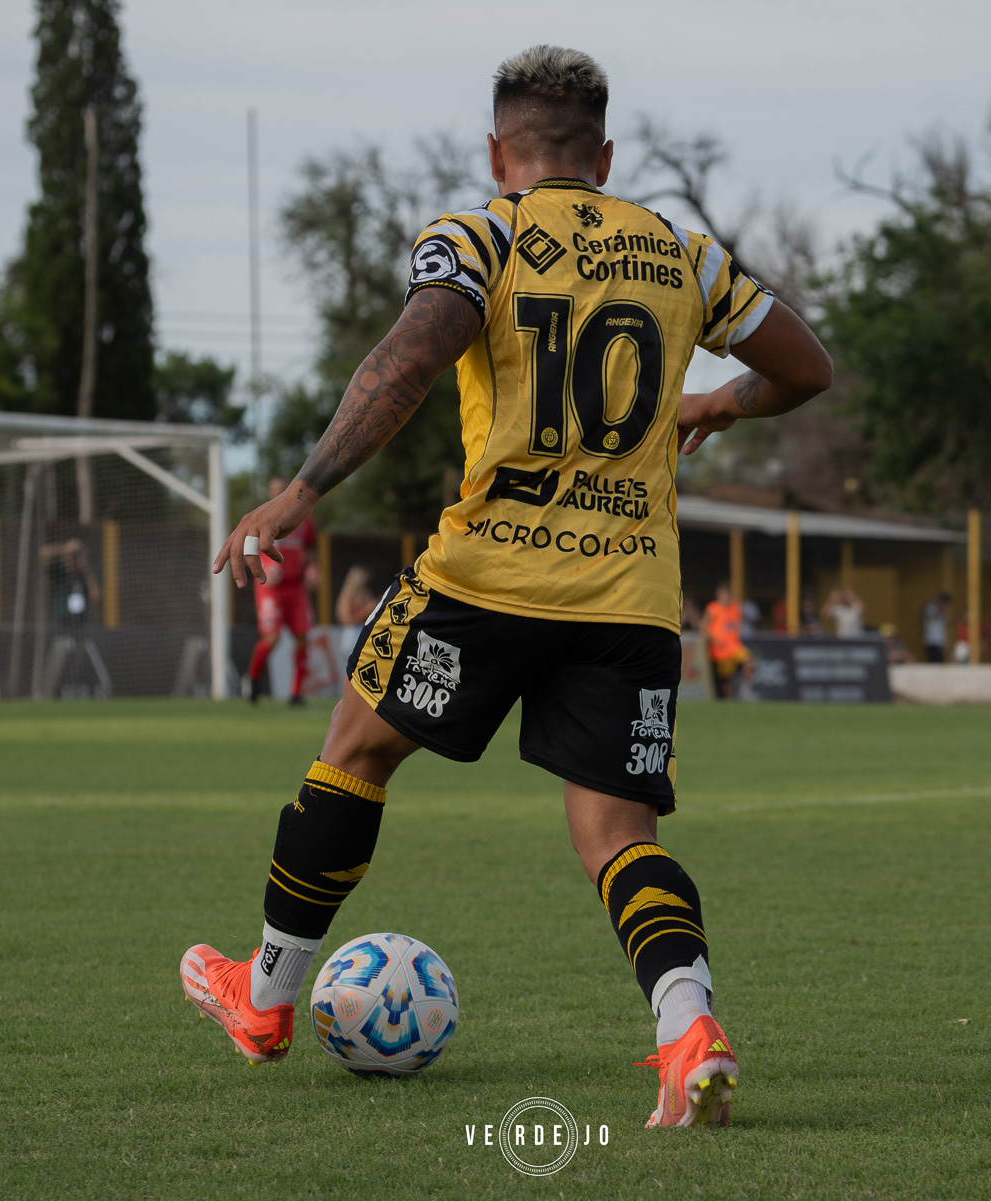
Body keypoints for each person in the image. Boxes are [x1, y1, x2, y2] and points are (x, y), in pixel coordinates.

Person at [182, 46, 832, 1131]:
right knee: (621, 835)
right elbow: (807, 368)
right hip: (628, 597)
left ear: (499, 152)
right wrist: (718, 400)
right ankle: (688, 1026)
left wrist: (300, 490)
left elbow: (411, 355)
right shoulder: (681, 251)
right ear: (606, 154)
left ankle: (269, 996)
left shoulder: (482, 233)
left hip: (487, 575)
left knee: (354, 754)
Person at [244, 477, 320, 706]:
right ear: (270, 493)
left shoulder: (304, 520)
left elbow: (310, 549)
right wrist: (263, 567)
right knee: (272, 639)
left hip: (296, 587)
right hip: (271, 589)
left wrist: (312, 569)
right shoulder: (262, 518)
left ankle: (296, 693)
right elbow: (249, 549)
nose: (278, 494)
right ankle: (253, 679)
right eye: (274, 491)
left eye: (282, 490)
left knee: (302, 638)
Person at [702, 582, 753, 700]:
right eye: (723, 594)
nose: (726, 597)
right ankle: (729, 703)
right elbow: (703, 626)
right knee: (726, 681)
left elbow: (737, 625)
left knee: (749, 663)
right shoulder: (713, 608)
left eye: (728, 594)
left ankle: (745, 690)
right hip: (720, 651)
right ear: (718, 594)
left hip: (734, 646)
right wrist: (714, 640)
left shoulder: (735, 607)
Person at [41, 537, 100, 630]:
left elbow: (95, 595)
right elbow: (44, 552)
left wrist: (86, 570)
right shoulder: (59, 571)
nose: (70, 560)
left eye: (73, 557)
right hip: (61, 622)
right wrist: (65, 548)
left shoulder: (83, 575)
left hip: (81, 623)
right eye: (68, 557)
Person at [335, 565, 375, 660]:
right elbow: (346, 619)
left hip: (365, 633)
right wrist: (365, 611)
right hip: (352, 635)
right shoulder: (347, 597)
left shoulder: (366, 595)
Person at [922, 592, 950, 663]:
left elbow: (946, 622)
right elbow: (933, 616)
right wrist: (941, 608)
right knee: (934, 660)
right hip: (931, 640)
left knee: (940, 660)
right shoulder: (930, 607)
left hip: (940, 640)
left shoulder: (942, 611)